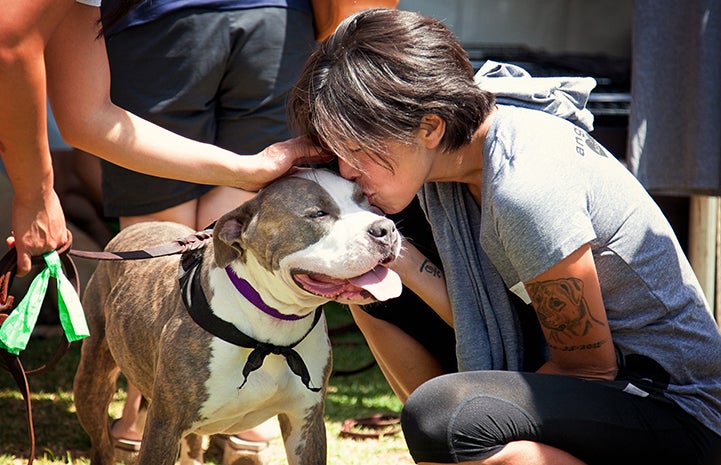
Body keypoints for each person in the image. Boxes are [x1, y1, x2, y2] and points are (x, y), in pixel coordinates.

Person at [287, 8, 721, 465]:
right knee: (377, 297)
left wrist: (481, 399)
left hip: (678, 409)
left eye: (357, 150)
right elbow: (485, 317)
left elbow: (591, 369)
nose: (348, 171)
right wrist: (398, 264)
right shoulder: (461, 149)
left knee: (445, 416)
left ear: (430, 126)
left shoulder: (525, 190)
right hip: (602, 381)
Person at [96, 0, 316, 462]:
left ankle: (146, 413)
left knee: (172, 246)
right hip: (277, 20)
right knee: (229, 230)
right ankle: (235, 419)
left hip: (163, 18)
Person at [0, 0, 325, 279]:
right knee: (202, 247)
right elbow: (14, 46)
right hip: (277, 21)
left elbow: (83, 114)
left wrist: (34, 197)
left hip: (158, 25)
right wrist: (35, 197)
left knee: (186, 245)